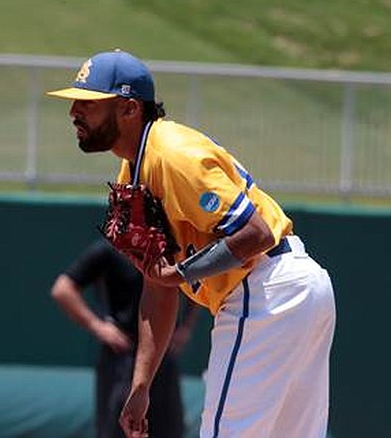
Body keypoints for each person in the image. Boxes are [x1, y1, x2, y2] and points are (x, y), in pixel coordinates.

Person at [47, 50, 336, 438]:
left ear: (129, 109)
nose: (75, 112)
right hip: (293, 289)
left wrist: (181, 272)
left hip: (265, 291)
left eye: (90, 103)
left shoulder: (171, 154)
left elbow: (255, 234)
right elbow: (159, 286)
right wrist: (141, 384)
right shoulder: (136, 167)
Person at [50, 238, 198, 438]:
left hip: (162, 354)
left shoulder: (172, 247)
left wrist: (186, 326)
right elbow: (62, 289)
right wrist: (98, 326)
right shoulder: (108, 250)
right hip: (122, 357)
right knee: (118, 428)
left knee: (168, 429)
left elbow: (197, 282)